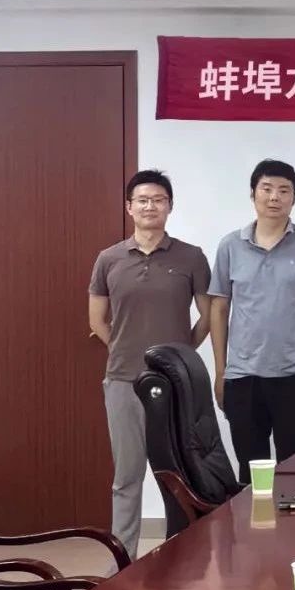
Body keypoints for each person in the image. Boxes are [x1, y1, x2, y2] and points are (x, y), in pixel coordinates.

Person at [88, 170, 211, 558]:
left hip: (175, 385)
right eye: (142, 200)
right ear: (129, 207)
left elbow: (209, 316)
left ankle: (181, 557)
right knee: (127, 477)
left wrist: (179, 354)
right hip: (123, 380)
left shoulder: (191, 257)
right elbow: (97, 320)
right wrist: (125, 350)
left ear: (169, 206)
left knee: (178, 473)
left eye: (158, 199)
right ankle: (122, 559)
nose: (150, 206)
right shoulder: (109, 259)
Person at [209, 159, 295, 483]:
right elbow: (219, 308)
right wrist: (221, 371)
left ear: (294, 198)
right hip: (243, 375)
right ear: (253, 194)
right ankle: (255, 519)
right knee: (251, 469)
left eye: (284, 190)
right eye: (266, 189)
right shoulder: (230, 245)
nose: (274, 197)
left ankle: (290, 519)